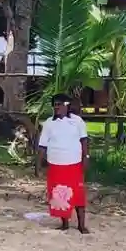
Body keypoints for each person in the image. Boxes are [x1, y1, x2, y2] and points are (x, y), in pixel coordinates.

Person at [37, 94, 90, 233]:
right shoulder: (49, 123)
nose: (57, 106)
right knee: (59, 195)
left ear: (67, 105)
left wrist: (86, 157)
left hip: (74, 164)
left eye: (60, 104)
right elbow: (42, 145)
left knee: (78, 194)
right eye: (55, 104)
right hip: (55, 164)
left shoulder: (77, 121)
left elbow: (84, 140)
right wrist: (38, 163)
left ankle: (81, 225)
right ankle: (65, 224)